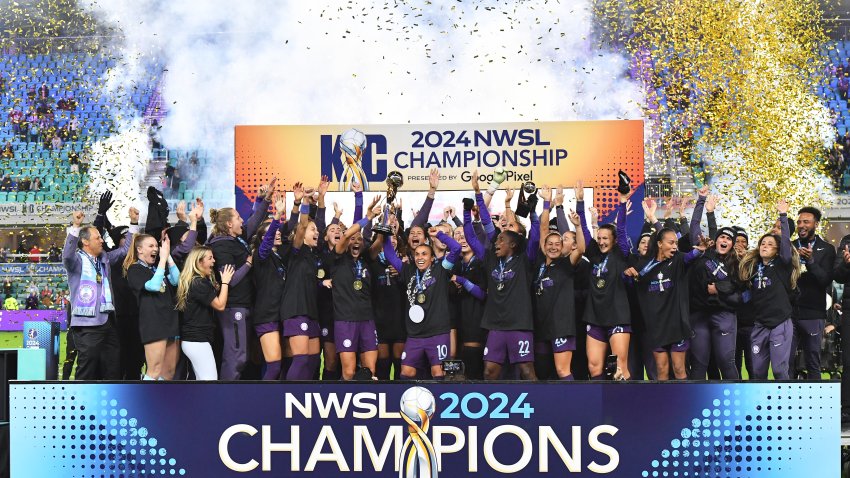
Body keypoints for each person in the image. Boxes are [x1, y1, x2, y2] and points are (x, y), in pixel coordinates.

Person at [465, 182, 540, 381]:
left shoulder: (525, 260)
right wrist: (476, 199)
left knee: (526, 370)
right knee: (489, 371)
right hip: (495, 326)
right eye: (496, 241)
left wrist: (533, 213)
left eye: (501, 241)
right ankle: (491, 410)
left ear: (513, 244)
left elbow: (534, 238)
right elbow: (472, 238)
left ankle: (539, 408)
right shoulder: (490, 259)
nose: (496, 243)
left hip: (519, 325)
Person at [627, 199, 707, 381]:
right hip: (656, 327)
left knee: (679, 370)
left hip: (677, 326)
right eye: (671, 243)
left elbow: (691, 255)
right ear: (659, 244)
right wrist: (628, 274)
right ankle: (664, 407)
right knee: (661, 371)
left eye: (676, 244)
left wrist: (700, 250)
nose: (674, 246)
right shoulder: (645, 265)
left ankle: (684, 408)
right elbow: (634, 279)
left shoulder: (678, 260)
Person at [207, 178, 274, 380]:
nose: (241, 221)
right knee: (235, 357)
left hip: (244, 305)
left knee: (243, 356)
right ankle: (225, 402)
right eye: (237, 218)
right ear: (229, 224)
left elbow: (253, 222)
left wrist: (265, 199)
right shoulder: (221, 246)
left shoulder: (235, 240)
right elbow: (230, 280)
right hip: (232, 308)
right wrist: (248, 264)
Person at [62, 207, 139, 380]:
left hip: (108, 322)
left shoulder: (105, 258)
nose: (101, 241)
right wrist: (75, 225)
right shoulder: (76, 261)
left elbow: (126, 250)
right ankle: (82, 404)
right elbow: (66, 255)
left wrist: (133, 223)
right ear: (86, 242)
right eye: (97, 238)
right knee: (87, 367)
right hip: (87, 325)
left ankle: (109, 401)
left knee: (113, 366)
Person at [382, 225, 463, 379]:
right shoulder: (407, 270)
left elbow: (456, 248)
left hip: (438, 333)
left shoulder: (441, 269)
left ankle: (438, 402)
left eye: (424, 254)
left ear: (432, 258)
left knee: (438, 372)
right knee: (406, 371)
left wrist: (438, 234)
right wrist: (386, 234)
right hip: (415, 334)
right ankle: (412, 402)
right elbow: (389, 254)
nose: (420, 257)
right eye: (418, 254)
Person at [738, 200, 800, 380]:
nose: (764, 246)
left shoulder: (782, 265)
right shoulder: (754, 268)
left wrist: (783, 215)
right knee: (757, 372)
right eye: (762, 243)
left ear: (778, 249)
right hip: (760, 324)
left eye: (769, 244)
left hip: (780, 322)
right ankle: (759, 407)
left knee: (780, 371)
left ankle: (784, 406)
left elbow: (787, 248)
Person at [579, 181, 634, 380]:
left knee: (619, 369)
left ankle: (626, 408)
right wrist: (579, 203)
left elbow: (621, 229)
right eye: (599, 238)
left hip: (617, 317)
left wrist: (622, 200)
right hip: (594, 317)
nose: (601, 241)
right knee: (594, 368)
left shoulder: (621, 254)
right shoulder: (595, 256)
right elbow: (585, 236)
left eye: (605, 238)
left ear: (613, 240)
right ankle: (599, 409)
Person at [687, 187, 743, 380]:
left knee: (726, 362)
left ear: (732, 244)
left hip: (724, 314)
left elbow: (736, 287)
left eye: (728, 238)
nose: (724, 240)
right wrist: (702, 202)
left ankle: (738, 406)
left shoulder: (736, 263)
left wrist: (717, 288)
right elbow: (696, 226)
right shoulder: (707, 253)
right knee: (699, 364)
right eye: (721, 237)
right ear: (715, 240)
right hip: (700, 314)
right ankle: (693, 405)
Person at [533, 186, 586, 380]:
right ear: (544, 246)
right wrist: (547, 203)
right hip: (541, 326)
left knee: (563, 371)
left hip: (561, 326)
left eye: (558, 244)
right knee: (542, 371)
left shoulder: (566, 264)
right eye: (550, 244)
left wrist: (578, 226)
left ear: (563, 246)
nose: (554, 247)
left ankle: (573, 408)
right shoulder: (539, 262)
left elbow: (580, 248)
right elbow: (543, 227)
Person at [329, 196, 383, 379]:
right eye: (353, 239)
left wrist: (385, 221)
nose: (356, 241)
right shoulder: (337, 258)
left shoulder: (367, 258)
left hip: (367, 320)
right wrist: (367, 216)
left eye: (360, 239)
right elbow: (344, 235)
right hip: (345, 321)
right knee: (349, 371)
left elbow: (379, 243)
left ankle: (371, 405)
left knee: (371, 371)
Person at [280, 181, 325, 380]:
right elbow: (301, 227)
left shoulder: (315, 255)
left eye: (316, 230)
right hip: (296, 310)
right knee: (300, 359)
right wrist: (304, 202)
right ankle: (287, 401)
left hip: (311, 312)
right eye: (312, 230)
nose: (316, 232)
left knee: (314, 359)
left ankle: (305, 401)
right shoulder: (295, 251)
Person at [125, 234, 180, 380]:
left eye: (157, 246)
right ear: (140, 250)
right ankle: (144, 402)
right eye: (151, 246)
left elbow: (177, 280)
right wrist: (162, 260)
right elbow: (153, 286)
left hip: (170, 321)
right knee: (154, 370)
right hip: (154, 324)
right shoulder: (134, 269)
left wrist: (168, 256)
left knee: (168, 373)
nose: (155, 249)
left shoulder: (157, 268)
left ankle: (161, 402)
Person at [789, 206, 835, 380]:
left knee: (813, 361)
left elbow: (825, 280)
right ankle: (786, 401)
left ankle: (815, 405)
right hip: (789, 312)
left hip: (813, 313)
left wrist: (811, 261)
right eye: (799, 221)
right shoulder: (790, 246)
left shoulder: (827, 249)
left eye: (806, 222)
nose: (801, 225)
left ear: (816, 224)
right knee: (786, 360)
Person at [176, 247, 234, 380]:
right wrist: (225, 282)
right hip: (197, 340)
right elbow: (220, 305)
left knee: (202, 380)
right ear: (199, 262)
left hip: (195, 340)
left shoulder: (197, 281)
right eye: (210, 258)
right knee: (210, 380)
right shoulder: (198, 283)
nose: (214, 261)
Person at [251, 193, 290, 380]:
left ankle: (277, 405)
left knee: (279, 367)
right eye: (272, 233)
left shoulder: (279, 258)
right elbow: (265, 245)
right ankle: (262, 404)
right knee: (273, 367)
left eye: (278, 231)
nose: (278, 234)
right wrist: (276, 218)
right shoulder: (261, 257)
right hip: (266, 316)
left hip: (279, 315)